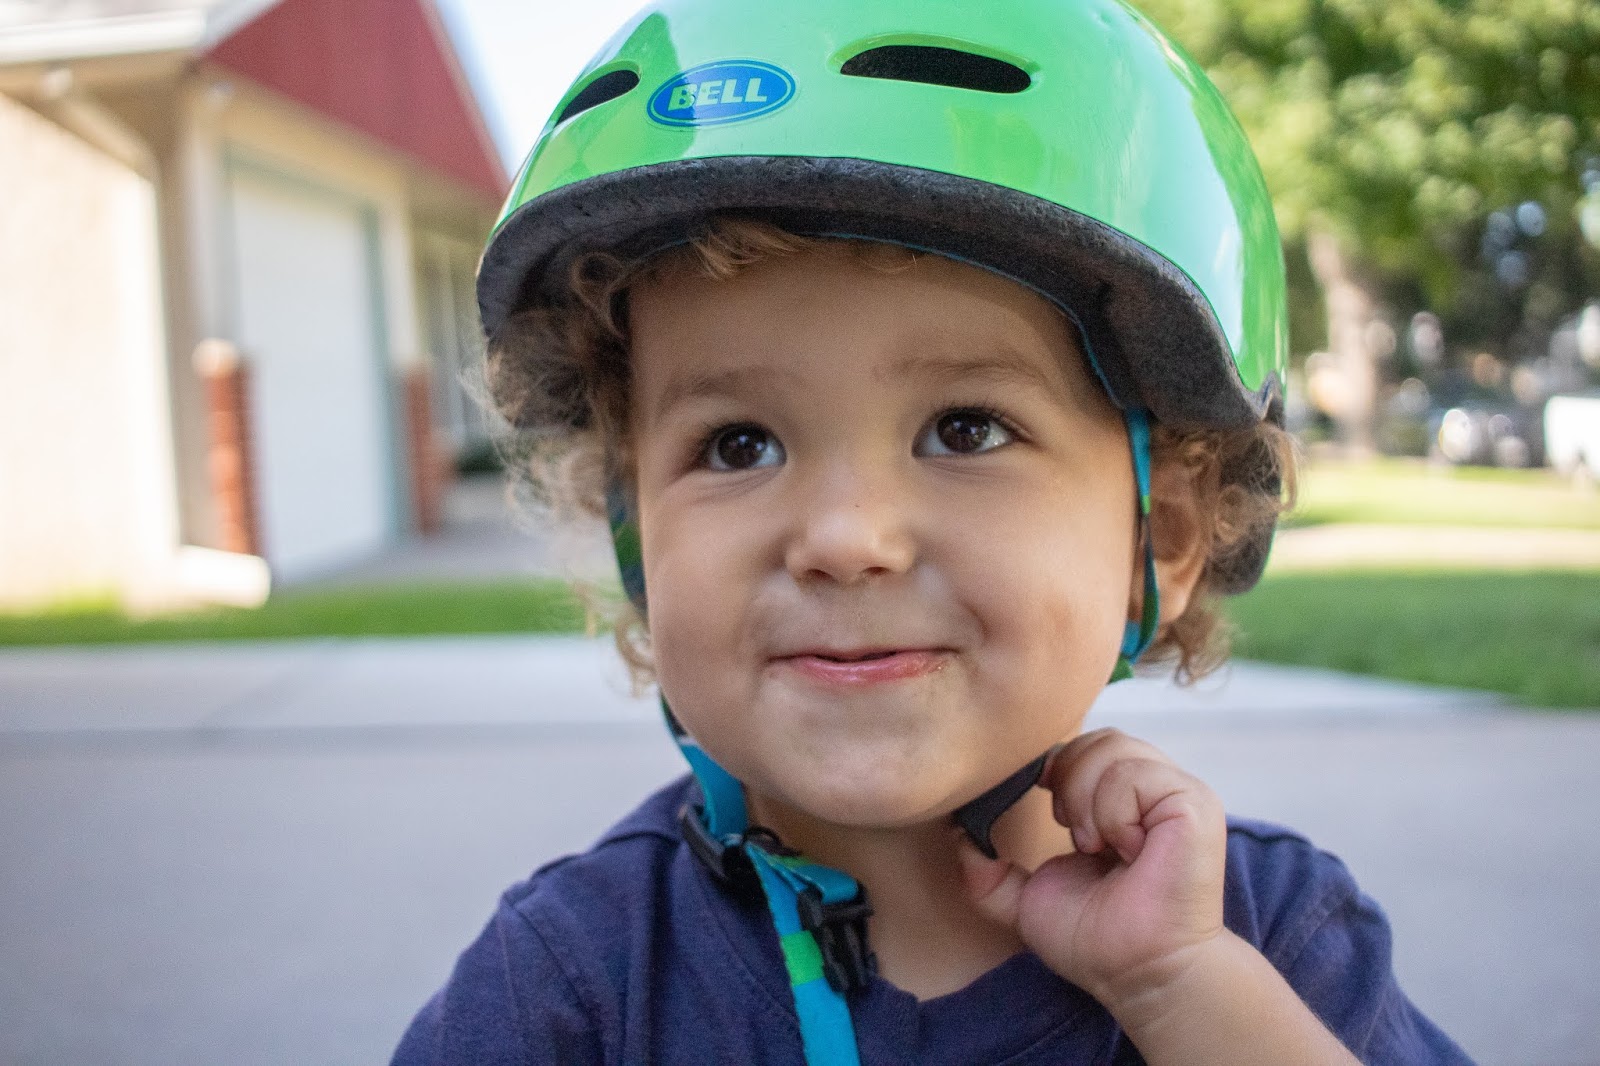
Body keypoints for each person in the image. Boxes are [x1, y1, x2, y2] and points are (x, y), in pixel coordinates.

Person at [394, 1, 1473, 1062]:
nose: (846, 535)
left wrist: (1177, 986)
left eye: (965, 428)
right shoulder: (565, 993)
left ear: (1169, 533)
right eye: (737, 445)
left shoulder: (1270, 940)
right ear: (635, 533)